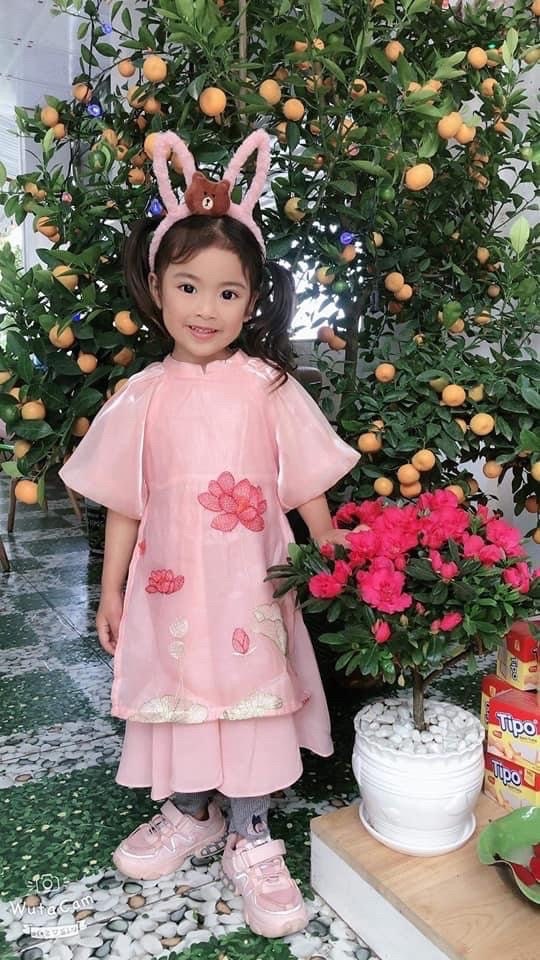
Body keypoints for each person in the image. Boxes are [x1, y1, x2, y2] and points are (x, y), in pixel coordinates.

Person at [59, 129, 360, 939]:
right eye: (188, 286)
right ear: (156, 287)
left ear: (251, 299)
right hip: (169, 585)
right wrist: (112, 589)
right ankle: (190, 811)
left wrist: (328, 544)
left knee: (252, 692)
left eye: (228, 293)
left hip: (252, 583)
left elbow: (303, 478)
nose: (205, 308)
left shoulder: (268, 387)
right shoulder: (141, 394)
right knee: (180, 686)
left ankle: (252, 835)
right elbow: (124, 501)